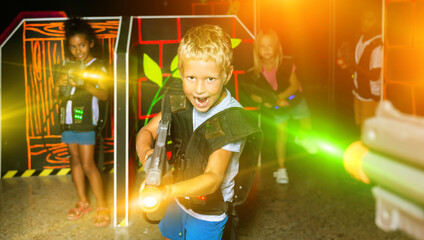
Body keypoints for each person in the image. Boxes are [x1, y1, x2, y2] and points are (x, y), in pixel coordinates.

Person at [136, 24, 262, 240]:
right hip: (176, 199)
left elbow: (213, 178)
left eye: (210, 79)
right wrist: (148, 157)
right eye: (191, 77)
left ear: (227, 75)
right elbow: (147, 131)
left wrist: (166, 191)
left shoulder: (230, 119)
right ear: (181, 73)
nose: (199, 89)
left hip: (207, 212)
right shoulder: (180, 100)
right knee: (169, 235)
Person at [54, 17, 110, 227]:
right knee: (74, 161)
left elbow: (104, 94)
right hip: (69, 121)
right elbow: (58, 95)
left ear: (91, 43)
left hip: (85, 121)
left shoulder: (99, 67)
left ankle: (102, 205)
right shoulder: (67, 66)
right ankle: (83, 201)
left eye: (82, 45)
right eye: (73, 47)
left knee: (88, 164)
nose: (78, 51)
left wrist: (85, 83)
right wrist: (59, 85)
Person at [242, 29, 317, 184]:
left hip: (294, 99)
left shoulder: (286, 64)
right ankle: (282, 169)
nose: (267, 49)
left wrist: (277, 99)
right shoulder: (255, 71)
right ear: (257, 49)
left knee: (306, 124)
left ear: (277, 48)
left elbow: (294, 87)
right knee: (281, 136)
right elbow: (254, 94)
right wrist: (260, 99)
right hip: (277, 105)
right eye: (263, 46)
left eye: (270, 46)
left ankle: (302, 138)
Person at [344, 6, 382, 129]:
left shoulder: (377, 45)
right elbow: (358, 64)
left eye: (369, 19)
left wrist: (355, 66)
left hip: (370, 96)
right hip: (358, 91)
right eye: (363, 18)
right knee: (360, 127)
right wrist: (350, 66)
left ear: (378, 22)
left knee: (369, 132)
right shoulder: (360, 38)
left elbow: (375, 75)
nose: (363, 22)